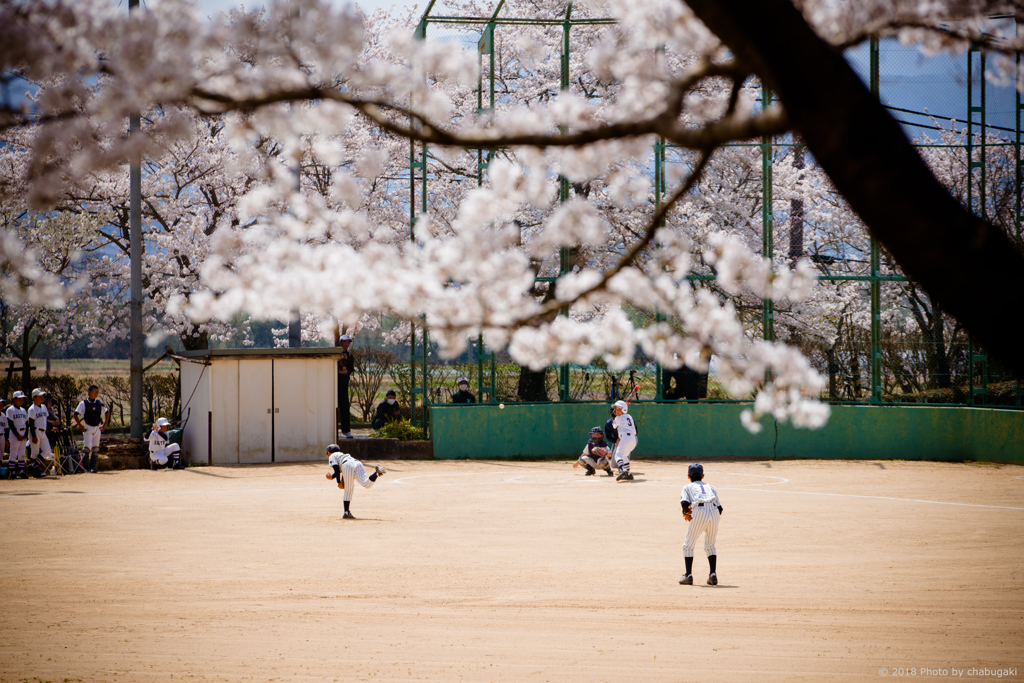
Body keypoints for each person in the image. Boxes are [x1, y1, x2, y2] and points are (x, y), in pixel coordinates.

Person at [678, 463, 723, 586]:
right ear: (703, 476)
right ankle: (712, 574)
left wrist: (687, 512)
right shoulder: (711, 487)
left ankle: (688, 576)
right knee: (710, 545)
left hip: (699, 511)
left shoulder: (687, 487)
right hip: (714, 512)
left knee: (688, 545)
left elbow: (684, 504)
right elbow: (720, 508)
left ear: (688, 476)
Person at [324, 444, 386, 519]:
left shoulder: (332, 456)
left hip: (347, 465)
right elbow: (339, 469)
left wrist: (338, 482)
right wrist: (332, 477)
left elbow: (336, 469)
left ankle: (346, 513)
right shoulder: (342, 455)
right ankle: (377, 473)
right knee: (366, 484)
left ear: (328, 453)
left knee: (348, 491)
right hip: (357, 463)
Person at [73, 384, 111, 473]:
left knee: (96, 448)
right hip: (87, 427)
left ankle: (93, 466)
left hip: (97, 427)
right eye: (94, 391)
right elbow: (75, 414)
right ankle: (85, 467)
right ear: (89, 392)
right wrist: (80, 425)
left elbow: (107, 412)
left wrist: (104, 424)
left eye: (97, 392)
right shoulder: (83, 403)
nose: (96, 393)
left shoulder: (99, 403)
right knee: (87, 448)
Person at [27, 388, 55, 477]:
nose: (42, 398)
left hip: (43, 432)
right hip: (35, 431)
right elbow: (31, 423)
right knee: (35, 453)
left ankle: (33, 466)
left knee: (47, 450)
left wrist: (50, 427)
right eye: (40, 396)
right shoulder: (32, 409)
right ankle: (36, 472)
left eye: (42, 396)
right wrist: (34, 436)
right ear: (34, 398)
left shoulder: (43, 407)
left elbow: (45, 420)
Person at [610, 399, 638, 481]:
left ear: (624, 409)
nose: (616, 411)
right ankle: (628, 474)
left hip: (626, 438)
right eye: (616, 409)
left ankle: (622, 469)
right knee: (624, 456)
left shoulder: (618, 418)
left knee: (617, 455)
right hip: (633, 439)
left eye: (619, 409)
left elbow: (614, 426)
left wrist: (614, 419)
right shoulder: (629, 416)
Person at [6, 391, 29, 479]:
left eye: (22, 399)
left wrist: (26, 434)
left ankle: (22, 472)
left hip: (23, 433)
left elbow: (27, 423)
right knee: (14, 452)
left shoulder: (23, 410)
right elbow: (10, 424)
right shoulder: (10, 409)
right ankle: (13, 472)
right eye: (19, 399)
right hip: (15, 432)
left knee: (22, 453)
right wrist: (17, 435)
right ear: (14, 399)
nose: (21, 400)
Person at [337, 334, 354, 439]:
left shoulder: (350, 356)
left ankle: (346, 430)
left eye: (348, 342)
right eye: (344, 342)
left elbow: (348, 370)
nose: (346, 344)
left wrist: (341, 371)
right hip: (333, 384)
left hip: (343, 385)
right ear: (340, 343)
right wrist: (341, 371)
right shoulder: (335, 354)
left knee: (345, 407)